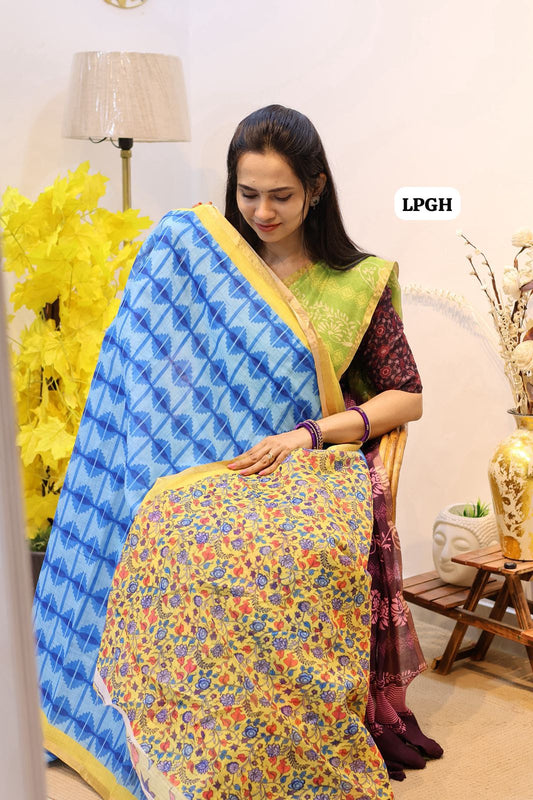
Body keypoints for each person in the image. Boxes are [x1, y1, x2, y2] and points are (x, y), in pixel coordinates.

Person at [33, 105, 441, 800]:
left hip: (306, 467)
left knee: (230, 557)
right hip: (208, 462)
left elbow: (407, 397)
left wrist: (309, 433)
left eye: (281, 195)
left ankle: (255, 747)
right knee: (146, 521)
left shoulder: (355, 281)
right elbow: (152, 363)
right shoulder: (206, 262)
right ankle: (158, 734)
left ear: (315, 188)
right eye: (247, 194)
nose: (262, 212)